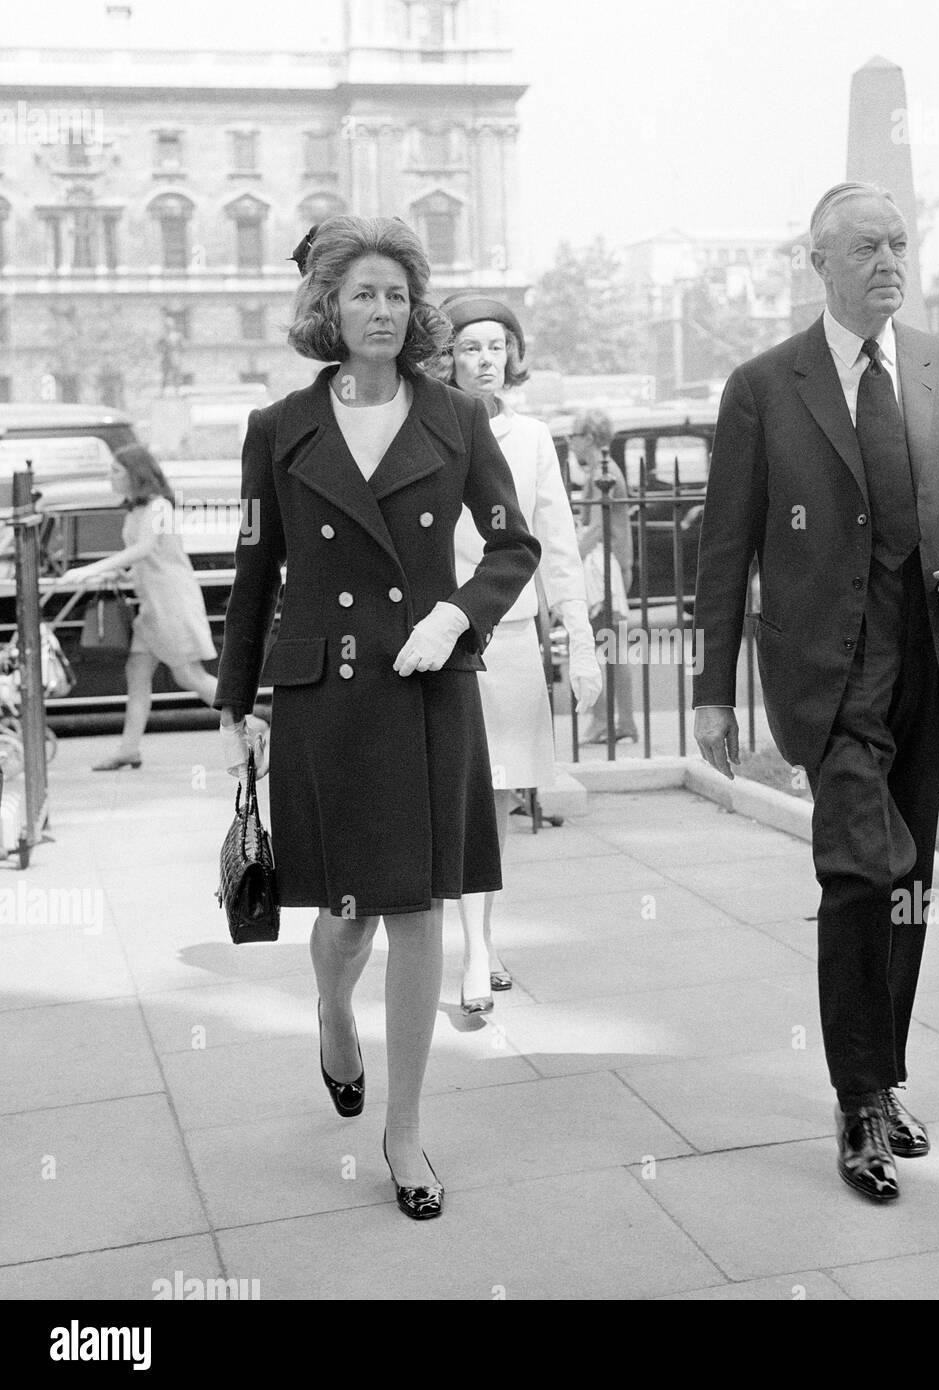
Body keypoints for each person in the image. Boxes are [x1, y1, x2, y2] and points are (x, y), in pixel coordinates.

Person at [692, 182, 939, 1204]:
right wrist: (711, 690)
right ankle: (859, 1099)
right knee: (858, 873)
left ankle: (885, 1071)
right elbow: (724, 547)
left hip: (935, 661)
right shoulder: (763, 385)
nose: (888, 260)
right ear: (817, 260)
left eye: (898, 243)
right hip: (832, 675)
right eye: (865, 246)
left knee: (911, 872)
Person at [214, 216, 540, 1220]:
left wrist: (455, 616)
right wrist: (238, 703)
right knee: (344, 920)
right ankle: (332, 1016)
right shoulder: (278, 428)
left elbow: (511, 545)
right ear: (327, 306)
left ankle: (404, 1131)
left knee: (419, 909)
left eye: (398, 295)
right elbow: (258, 573)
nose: (383, 311)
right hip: (324, 695)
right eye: (362, 293)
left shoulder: (455, 414)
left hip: (425, 683)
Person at [441, 294, 602, 1012]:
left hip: (507, 640)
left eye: (495, 346)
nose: (484, 359)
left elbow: (557, 543)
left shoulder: (533, 438)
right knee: (447, 796)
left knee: (498, 795)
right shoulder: (427, 427)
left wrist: (580, 638)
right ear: (446, 356)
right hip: (439, 640)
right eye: (469, 346)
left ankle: (481, 946)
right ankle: (454, 939)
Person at [52, 444, 259, 771]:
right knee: (138, 674)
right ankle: (128, 749)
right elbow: (148, 556)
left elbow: (146, 548)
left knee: (189, 676)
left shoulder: (159, 508)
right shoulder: (137, 510)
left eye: (116, 471)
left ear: (137, 474)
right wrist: (123, 572)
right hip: (152, 605)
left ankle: (251, 724)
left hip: (171, 603)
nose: (111, 477)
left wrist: (93, 569)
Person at [571, 409, 638, 744]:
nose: (571, 442)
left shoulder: (602, 471)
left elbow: (597, 528)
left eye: (574, 434)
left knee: (602, 646)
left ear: (590, 436)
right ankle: (620, 722)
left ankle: (607, 722)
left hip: (604, 567)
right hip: (612, 565)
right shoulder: (603, 470)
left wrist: (569, 560)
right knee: (609, 647)